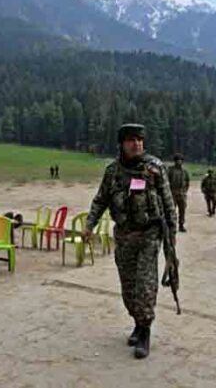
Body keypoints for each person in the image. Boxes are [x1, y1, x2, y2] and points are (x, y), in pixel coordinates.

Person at [82, 123, 177, 360]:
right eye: (131, 140)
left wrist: (171, 239)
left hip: (149, 235)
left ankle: (144, 332)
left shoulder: (155, 169)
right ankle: (137, 322)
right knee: (128, 289)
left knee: (145, 286)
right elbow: (100, 201)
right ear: (122, 144)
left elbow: (168, 203)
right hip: (124, 237)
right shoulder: (113, 172)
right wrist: (89, 225)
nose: (137, 144)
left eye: (140, 140)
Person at [167, 153, 190, 232]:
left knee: (182, 210)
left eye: (180, 160)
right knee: (171, 210)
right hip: (172, 192)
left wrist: (184, 191)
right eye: (177, 160)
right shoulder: (170, 170)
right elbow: (167, 181)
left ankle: (181, 225)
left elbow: (187, 182)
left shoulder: (184, 171)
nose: (179, 162)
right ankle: (172, 225)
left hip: (182, 193)